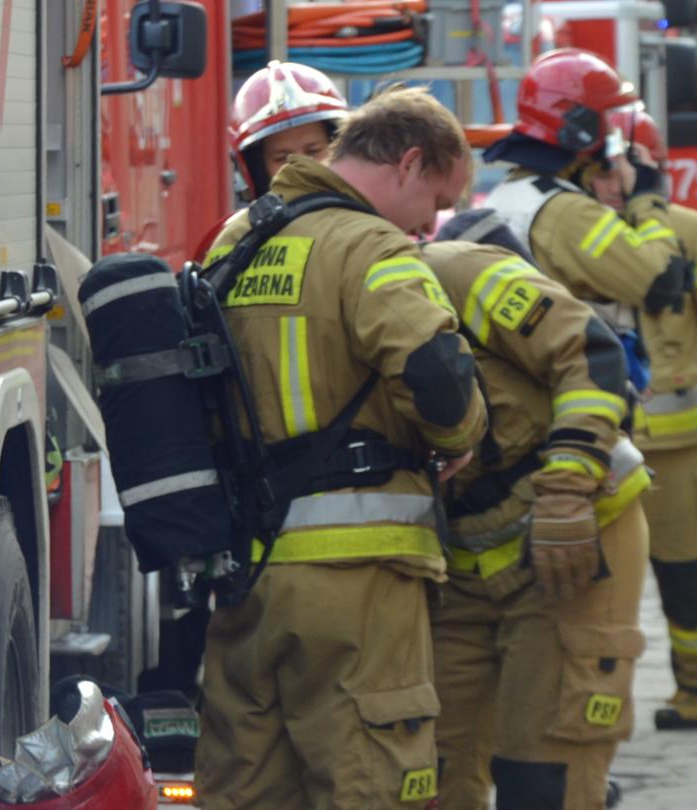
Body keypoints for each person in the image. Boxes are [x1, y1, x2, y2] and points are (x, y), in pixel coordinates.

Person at [192, 84, 489, 809]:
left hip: (249, 578)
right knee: (373, 782)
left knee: (249, 786)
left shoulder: (238, 239)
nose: (434, 221)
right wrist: (460, 440)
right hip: (360, 582)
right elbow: (438, 377)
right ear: (410, 163)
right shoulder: (371, 247)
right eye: (438, 199)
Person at [423, 210, 651, 809]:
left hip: (576, 534)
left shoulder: (456, 275)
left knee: (544, 775)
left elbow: (595, 356)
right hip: (465, 565)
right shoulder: (356, 297)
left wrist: (568, 489)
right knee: (429, 771)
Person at [588, 103, 697, 730]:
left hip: (678, 448)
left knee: (688, 577)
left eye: (619, 168)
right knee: (595, 593)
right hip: (598, 450)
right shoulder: (576, 232)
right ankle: (599, 705)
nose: (608, 181)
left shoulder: (691, 231)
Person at [478, 49, 691, 344]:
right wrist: (646, 193)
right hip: (573, 377)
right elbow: (663, 284)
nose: (613, 133)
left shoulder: (513, 192)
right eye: (607, 119)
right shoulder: (569, 213)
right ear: (580, 126)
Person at [230, 60, 350, 198]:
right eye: (283, 158)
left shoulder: (373, 216)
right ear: (258, 172)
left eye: (313, 151)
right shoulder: (243, 221)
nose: (302, 169)